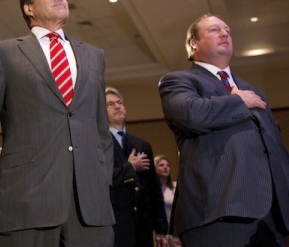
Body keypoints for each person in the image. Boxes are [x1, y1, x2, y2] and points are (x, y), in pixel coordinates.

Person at [0, 0, 115, 247]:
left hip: (90, 207)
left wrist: (101, 181)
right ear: (28, 8)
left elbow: (101, 129)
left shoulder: (94, 56)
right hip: (26, 202)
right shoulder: (4, 54)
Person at [158, 13, 289, 246]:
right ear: (193, 43)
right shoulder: (178, 81)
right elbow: (191, 115)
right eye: (215, 30)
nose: (225, 33)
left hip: (271, 216)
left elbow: (275, 148)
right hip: (216, 212)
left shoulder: (252, 90)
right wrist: (238, 102)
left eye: (227, 30)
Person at [105, 86, 168, 247]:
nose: (118, 106)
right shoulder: (98, 144)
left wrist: (160, 228)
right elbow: (100, 180)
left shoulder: (142, 144)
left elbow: (153, 189)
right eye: (110, 104)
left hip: (142, 227)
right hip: (114, 226)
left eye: (120, 102)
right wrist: (130, 167)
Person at [154, 155, 181, 247]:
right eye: (161, 165)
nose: (165, 167)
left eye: (167, 165)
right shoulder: (152, 190)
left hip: (175, 231)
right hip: (159, 231)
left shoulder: (175, 187)